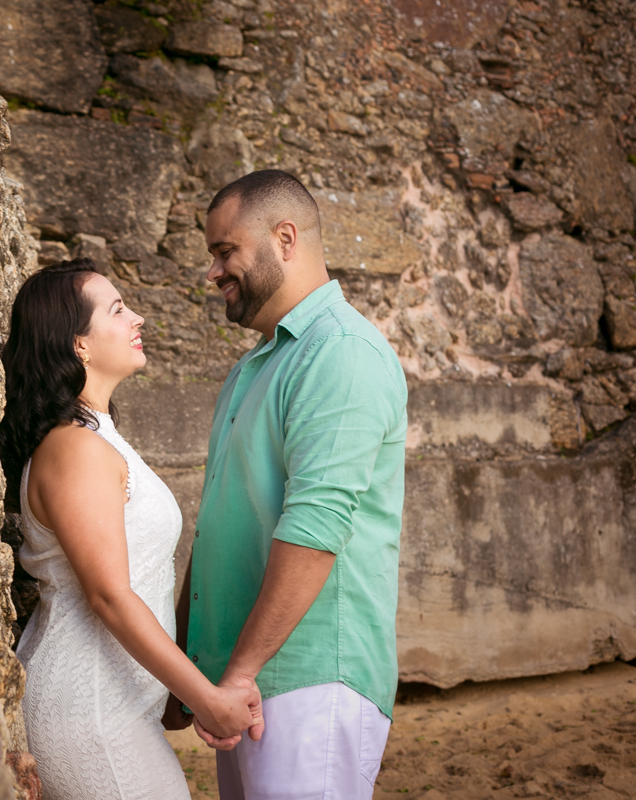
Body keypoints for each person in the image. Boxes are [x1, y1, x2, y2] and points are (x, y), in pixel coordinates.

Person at [165, 170, 408, 799]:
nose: (213, 272)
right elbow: (218, 526)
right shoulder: (255, 364)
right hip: (242, 684)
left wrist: (240, 673)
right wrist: (191, 670)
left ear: (287, 238)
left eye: (225, 252)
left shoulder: (342, 351)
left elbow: (316, 527)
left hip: (308, 678)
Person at [0, 259, 263, 800]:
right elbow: (110, 596)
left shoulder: (96, 439)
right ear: (79, 346)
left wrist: (169, 693)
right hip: (91, 712)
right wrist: (205, 696)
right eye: (118, 309)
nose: (138, 317)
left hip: (114, 707)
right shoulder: (75, 449)